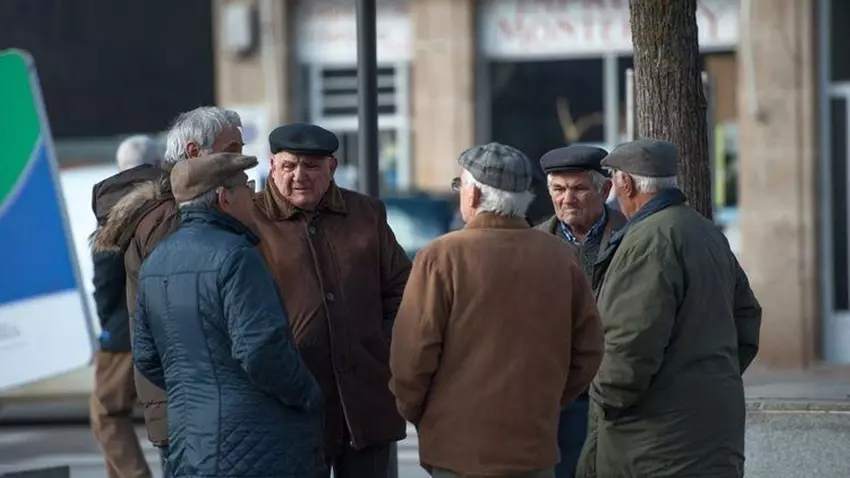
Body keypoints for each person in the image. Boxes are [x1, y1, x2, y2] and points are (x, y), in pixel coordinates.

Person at [389, 142, 605, 478]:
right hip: (534, 445)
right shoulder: (561, 256)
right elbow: (589, 350)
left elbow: (412, 357)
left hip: (457, 449)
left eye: (460, 185)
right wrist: (547, 401)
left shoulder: (440, 256)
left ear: (474, 194)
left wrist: (422, 412)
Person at [576, 139, 762, 478]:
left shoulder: (650, 241)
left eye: (614, 180)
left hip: (654, 444)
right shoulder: (706, 232)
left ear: (626, 184)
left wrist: (601, 399)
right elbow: (746, 318)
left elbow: (629, 348)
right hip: (710, 430)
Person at [133, 152, 324, 478]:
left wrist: (195, 389)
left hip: (190, 444)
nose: (253, 195)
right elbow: (261, 350)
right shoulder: (236, 257)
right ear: (224, 198)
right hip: (256, 447)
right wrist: (307, 393)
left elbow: (145, 356)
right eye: (246, 187)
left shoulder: (156, 263)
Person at [252, 123, 411, 478]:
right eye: (289, 165)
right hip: (292, 401)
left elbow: (403, 289)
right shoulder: (251, 220)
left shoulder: (365, 213)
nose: (298, 176)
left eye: (311, 166)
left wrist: (382, 340)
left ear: (332, 167)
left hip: (366, 397)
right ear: (272, 165)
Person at [93, 106, 243, 473]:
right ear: (192, 152)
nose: (241, 161)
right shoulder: (171, 216)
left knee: (110, 415)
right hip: (191, 390)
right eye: (233, 149)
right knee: (109, 413)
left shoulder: (149, 211)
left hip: (177, 379)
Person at [534, 145, 626, 478]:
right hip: (555, 400)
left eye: (579, 188)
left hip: (617, 396)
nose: (567, 199)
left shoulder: (633, 237)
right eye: (558, 189)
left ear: (605, 189)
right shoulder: (531, 245)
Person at [89, 135, 162, 478]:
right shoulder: (166, 201)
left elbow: (105, 280)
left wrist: (109, 327)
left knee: (107, 415)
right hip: (160, 324)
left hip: (124, 332)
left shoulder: (113, 208)